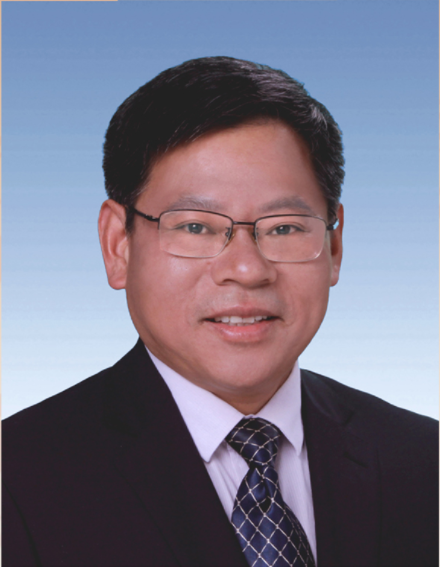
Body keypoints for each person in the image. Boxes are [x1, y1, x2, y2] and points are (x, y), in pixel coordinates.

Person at [3, 56, 438, 567]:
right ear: (118, 245)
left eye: (284, 228)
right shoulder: (18, 480)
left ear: (334, 246)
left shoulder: (424, 460)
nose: (247, 270)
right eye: (195, 227)